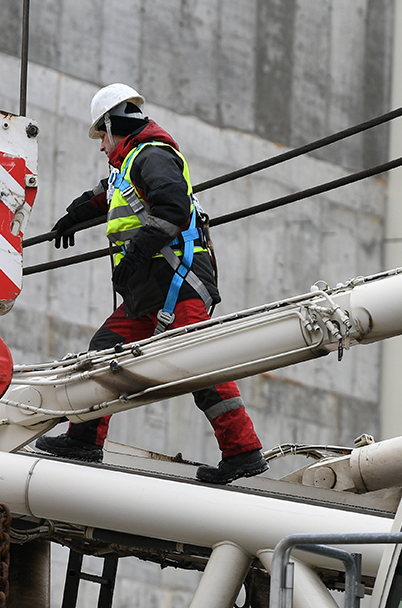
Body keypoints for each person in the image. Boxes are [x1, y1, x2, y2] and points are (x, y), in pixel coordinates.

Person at [34, 83, 268, 485]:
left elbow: (173, 208)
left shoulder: (153, 156)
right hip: (148, 293)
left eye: (101, 136)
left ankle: (243, 452)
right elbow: (105, 194)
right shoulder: (128, 165)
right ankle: (84, 438)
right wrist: (73, 216)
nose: (101, 146)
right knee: (103, 352)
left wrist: (139, 251)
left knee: (200, 367)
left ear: (113, 126)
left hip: (177, 284)